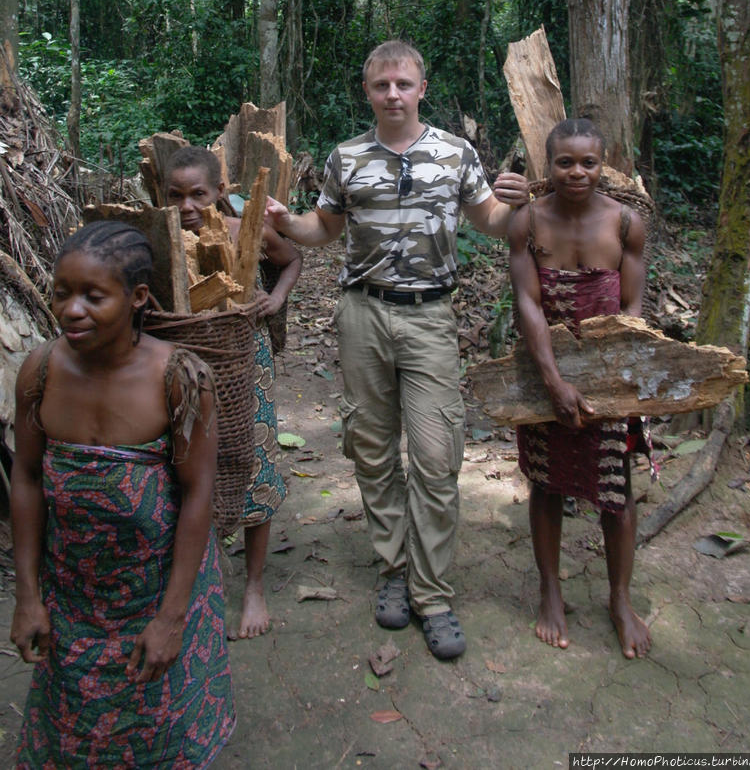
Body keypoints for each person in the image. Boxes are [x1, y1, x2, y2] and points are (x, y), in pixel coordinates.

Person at [265, 39, 529, 659]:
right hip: (362, 313)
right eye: (382, 85)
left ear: (421, 87)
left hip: (430, 317)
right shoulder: (347, 157)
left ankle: (432, 593)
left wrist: (522, 202)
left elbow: (489, 222)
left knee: (437, 456)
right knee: (372, 447)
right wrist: (283, 220)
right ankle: (392, 569)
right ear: (368, 91)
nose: (392, 94)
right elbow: (323, 230)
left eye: (403, 84)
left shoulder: (455, 153)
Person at [10, 221, 235, 767]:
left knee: (161, 721)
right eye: (62, 293)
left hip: (156, 589)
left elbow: (198, 494)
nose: (72, 310)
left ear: (136, 298)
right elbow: (27, 478)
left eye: (93, 296)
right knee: (73, 722)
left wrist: (172, 617)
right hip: (75, 595)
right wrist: (27, 595)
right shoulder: (40, 371)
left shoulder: (179, 379)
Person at [508, 118, 652, 659]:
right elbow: (528, 303)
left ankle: (620, 599)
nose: (576, 173)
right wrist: (553, 381)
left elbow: (634, 307)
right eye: (564, 162)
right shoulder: (526, 222)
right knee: (546, 483)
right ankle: (551, 590)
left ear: (603, 163)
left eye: (587, 162)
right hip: (546, 371)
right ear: (548, 165)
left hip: (609, 375)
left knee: (617, 489)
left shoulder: (626, 224)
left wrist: (611, 378)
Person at [164, 145, 302, 639]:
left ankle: (255, 585)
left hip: (247, 357)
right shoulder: (161, 238)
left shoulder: (249, 229)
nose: (186, 206)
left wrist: (275, 297)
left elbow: (291, 261)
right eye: (175, 195)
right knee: (191, 464)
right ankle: (202, 577)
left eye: (197, 194)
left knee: (255, 457)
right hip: (185, 366)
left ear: (220, 192)